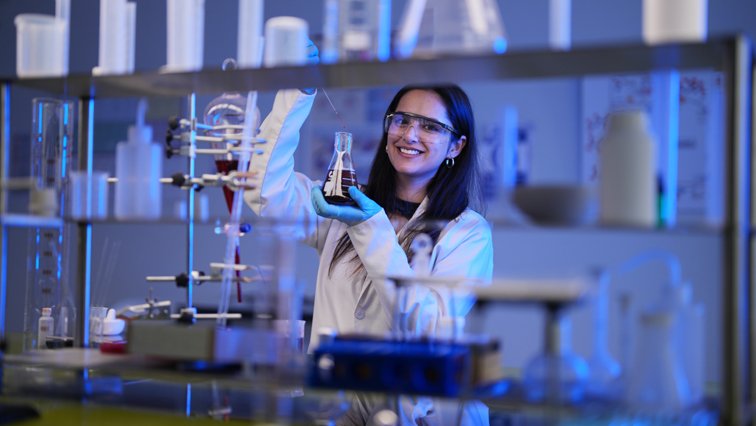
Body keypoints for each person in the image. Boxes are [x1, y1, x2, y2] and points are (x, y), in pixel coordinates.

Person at [245, 44, 493, 426]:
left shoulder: (468, 232)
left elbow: (427, 327)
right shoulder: (343, 206)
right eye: (401, 120)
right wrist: (298, 90)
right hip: (333, 410)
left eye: (430, 126)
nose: (410, 134)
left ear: (456, 146)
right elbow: (265, 191)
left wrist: (369, 227)